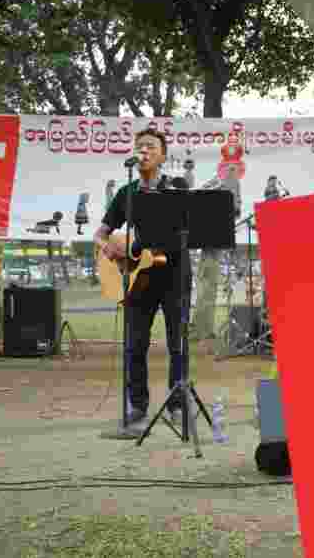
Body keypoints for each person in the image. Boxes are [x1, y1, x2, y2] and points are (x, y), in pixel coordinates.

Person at [94, 129, 190, 425]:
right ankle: (137, 405)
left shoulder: (176, 188)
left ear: (162, 156)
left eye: (150, 147)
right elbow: (100, 234)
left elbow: (189, 230)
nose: (144, 151)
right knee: (134, 345)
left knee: (178, 345)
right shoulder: (127, 192)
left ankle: (176, 405)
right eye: (139, 147)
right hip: (138, 279)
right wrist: (110, 248)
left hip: (175, 276)